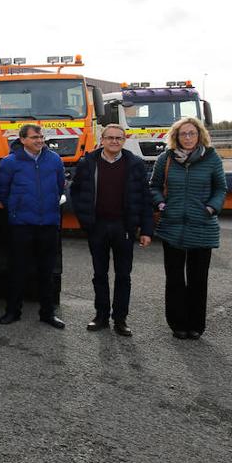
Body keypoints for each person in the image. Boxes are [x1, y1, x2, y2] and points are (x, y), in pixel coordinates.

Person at [69, 124, 154, 336]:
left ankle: (120, 319)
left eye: (118, 138)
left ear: (124, 141)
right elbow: (76, 191)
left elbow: (145, 198)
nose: (114, 141)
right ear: (102, 140)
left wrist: (146, 230)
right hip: (97, 226)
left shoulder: (135, 164)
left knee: (123, 275)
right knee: (100, 274)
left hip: (123, 227)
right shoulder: (88, 162)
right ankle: (101, 315)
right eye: (110, 138)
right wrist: (85, 220)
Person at [150, 116, 227, 340]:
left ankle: (196, 325)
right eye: (183, 133)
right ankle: (178, 324)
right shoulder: (165, 158)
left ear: (199, 135)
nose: (187, 137)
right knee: (174, 279)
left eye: (192, 133)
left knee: (198, 279)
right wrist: (161, 204)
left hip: (202, 225)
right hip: (172, 226)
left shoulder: (212, 158)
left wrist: (211, 208)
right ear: (176, 137)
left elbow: (221, 189)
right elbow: (154, 186)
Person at [0, 124, 67, 328]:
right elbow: (4, 191)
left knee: (47, 272)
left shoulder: (54, 159)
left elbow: (60, 186)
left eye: (41, 137)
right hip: (21, 225)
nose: (39, 140)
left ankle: (47, 313)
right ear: (23, 140)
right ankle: (12, 311)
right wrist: (16, 211)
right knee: (17, 270)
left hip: (49, 224)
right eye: (35, 137)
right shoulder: (10, 162)